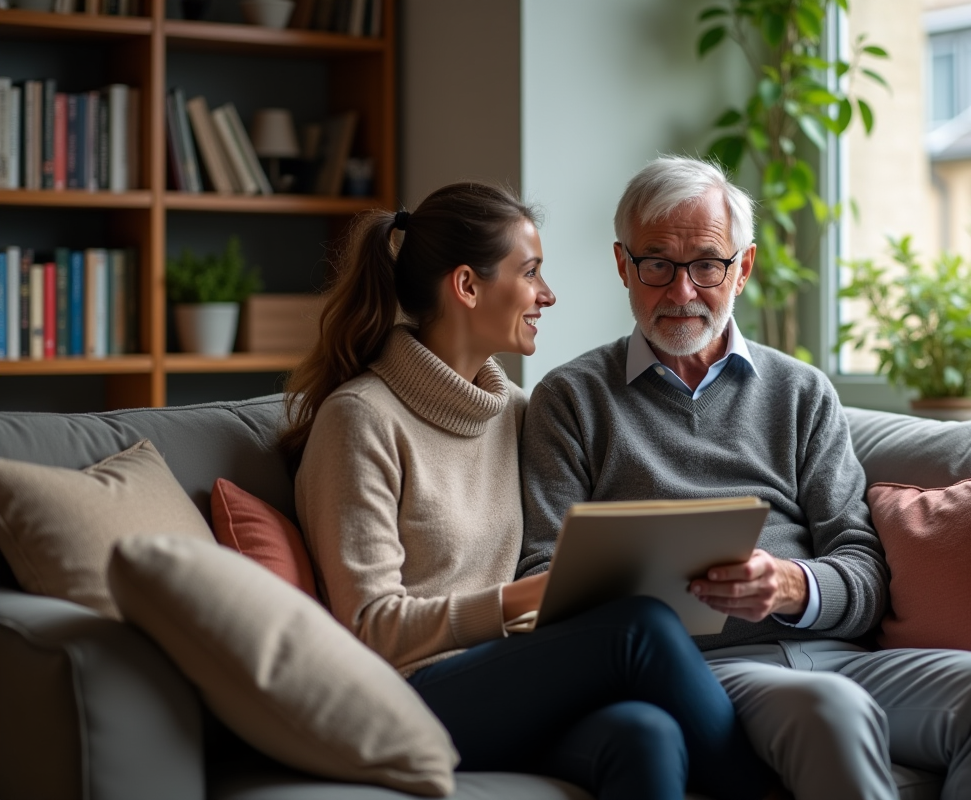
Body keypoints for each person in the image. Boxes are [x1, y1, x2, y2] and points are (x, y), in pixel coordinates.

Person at [518, 157, 971, 800]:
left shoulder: (802, 392)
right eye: (656, 263)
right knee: (828, 709)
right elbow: (538, 581)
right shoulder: (571, 400)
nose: (682, 292)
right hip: (701, 674)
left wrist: (791, 586)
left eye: (708, 265)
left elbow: (865, 571)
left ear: (743, 268)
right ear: (622, 265)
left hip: (842, 657)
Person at [280, 182, 773, 800]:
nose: (548, 295)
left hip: (508, 679)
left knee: (644, 734)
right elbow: (372, 628)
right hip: (401, 694)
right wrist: (527, 597)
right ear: (467, 286)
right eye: (532, 272)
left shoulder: (514, 412)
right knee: (637, 625)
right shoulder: (360, 420)